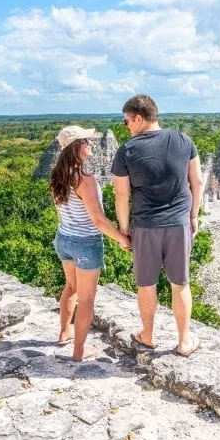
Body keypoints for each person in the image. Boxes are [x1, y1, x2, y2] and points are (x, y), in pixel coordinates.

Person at [112, 95, 204, 356]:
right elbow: (197, 181)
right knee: (180, 284)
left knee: (146, 285)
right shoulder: (182, 140)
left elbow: (121, 195)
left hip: (146, 225)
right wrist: (194, 215)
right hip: (178, 223)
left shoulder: (127, 150)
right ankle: (185, 340)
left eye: (127, 121)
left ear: (139, 118)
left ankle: (148, 335)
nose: (127, 126)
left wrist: (124, 228)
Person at [50, 125, 131, 361]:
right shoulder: (85, 179)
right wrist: (122, 239)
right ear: (77, 146)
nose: (91, 144)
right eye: (87, 141)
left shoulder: (57, 175)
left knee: (71, 287)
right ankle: (79, 351)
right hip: (85, 243)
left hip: (63, 238)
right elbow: (98, 219)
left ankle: (64, 333)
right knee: (86, 299)